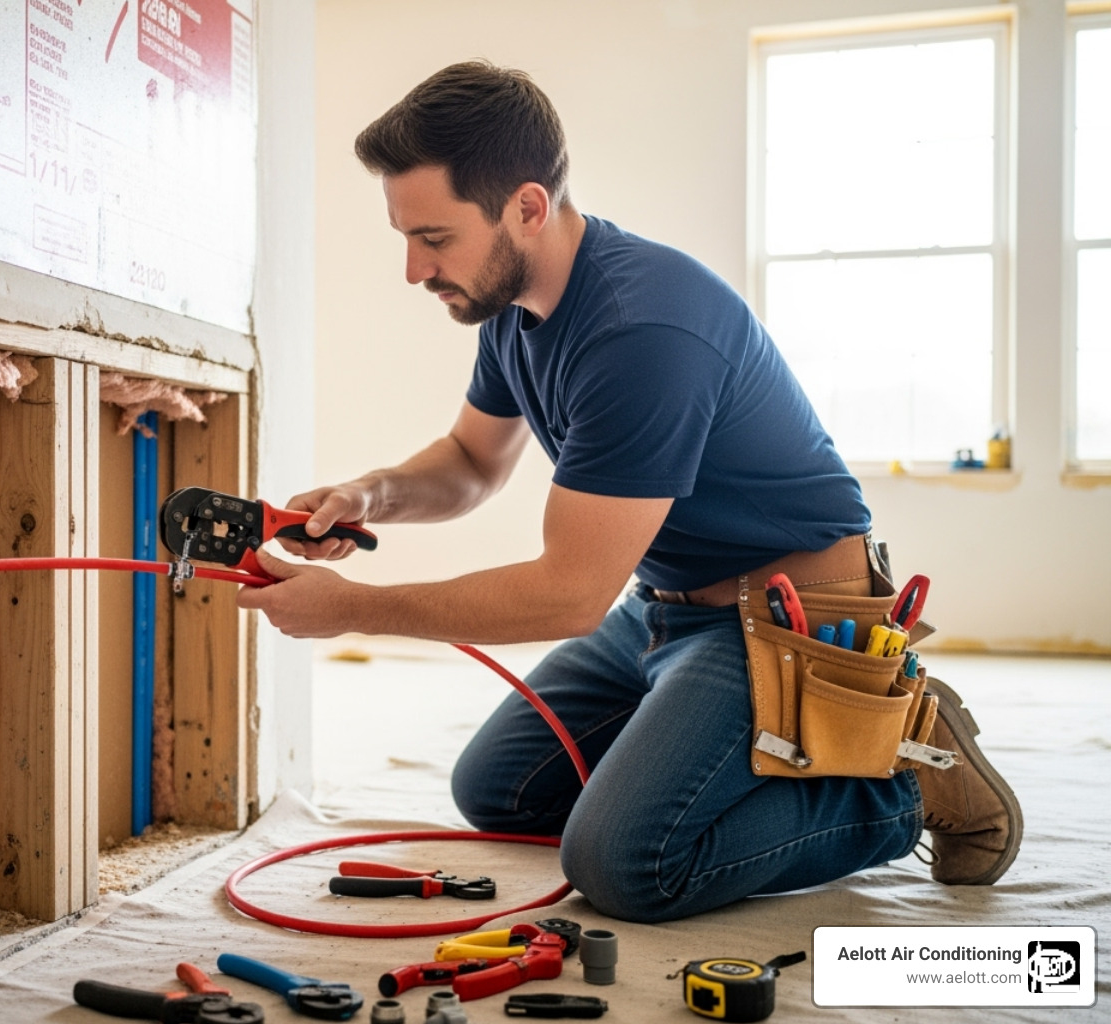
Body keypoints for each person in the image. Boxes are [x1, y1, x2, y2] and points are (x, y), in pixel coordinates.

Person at [235, 60, 1021, 921]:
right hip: (663, 608)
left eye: (434, 238)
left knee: (624, 865)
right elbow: (470, 460)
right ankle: (763, 749)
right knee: (500, 790)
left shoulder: (641, 329)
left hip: (784, 615)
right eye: (407, 238)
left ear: (527, 207)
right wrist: (367, 495)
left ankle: (897, 782)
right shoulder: (511, 308)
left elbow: (568, 593)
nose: (415, 270)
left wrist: (355, 608)